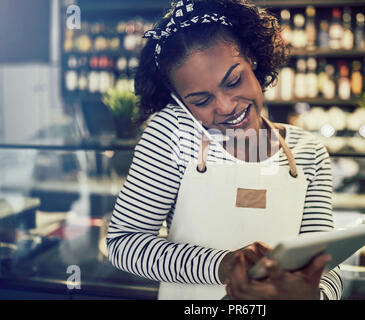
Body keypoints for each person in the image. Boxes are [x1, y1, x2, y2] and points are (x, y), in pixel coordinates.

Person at [107, 0, 343, 300]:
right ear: (180, 101)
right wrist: (223, 265)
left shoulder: (308, 152)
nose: (226, 106)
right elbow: (125, 244)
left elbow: (328, 267)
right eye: (201, 101)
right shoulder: (174, 134)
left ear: (252, 58)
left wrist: (310, 296)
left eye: (233, 81)